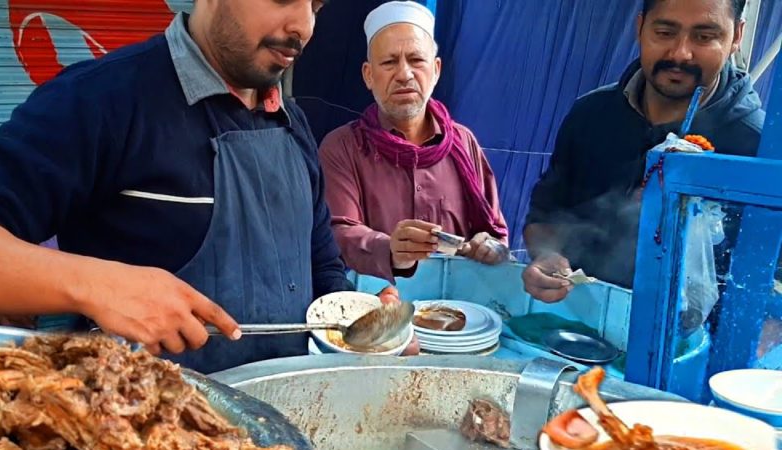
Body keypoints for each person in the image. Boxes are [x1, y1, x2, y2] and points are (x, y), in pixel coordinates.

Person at [0, 0, 407, 374]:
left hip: (281, 436)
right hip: (146, 446)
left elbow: (320, 269)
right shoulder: (102, 100)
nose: (303, 26)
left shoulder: (293, 126)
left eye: (316, 4)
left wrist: (361, 321)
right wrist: (97, 285)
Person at [522, 0, 763, 303]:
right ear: (640, 27)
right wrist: (547, 255)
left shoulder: (756, 147)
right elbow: (546, 212)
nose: (680, 54)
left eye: (704, 37)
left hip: (694, 333)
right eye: (664, 32)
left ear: (736, 36)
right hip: (576, 319)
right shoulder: (589, 115)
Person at [319, 1, 509, 283]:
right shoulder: (342, 147)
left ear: (436, 69)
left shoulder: (463, 143)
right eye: (389, 62)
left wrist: (490, 248)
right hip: (375, 303)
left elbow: (495, 233)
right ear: (368, 75)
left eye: (416, 60)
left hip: (456, 304)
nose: (404, 74)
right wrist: (390, 250)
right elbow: (336, 233)